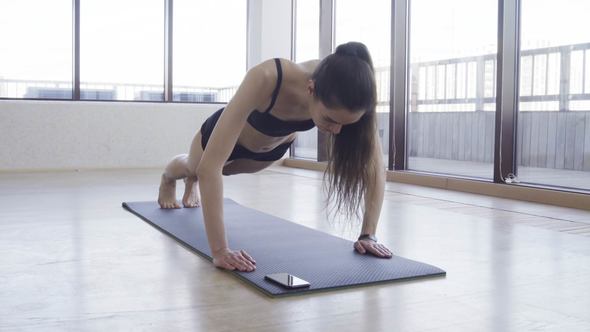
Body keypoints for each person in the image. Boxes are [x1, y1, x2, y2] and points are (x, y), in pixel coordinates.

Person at [158, 41, 393, 272]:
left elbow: (374, 168)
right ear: (310, 89)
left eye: (345, 124)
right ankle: (168, 177)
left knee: (217, 172)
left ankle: (194, 181)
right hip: (224, 139)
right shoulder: (268, 77)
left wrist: (368, 235)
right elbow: (210, 168)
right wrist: (220, 251)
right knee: (195, 166)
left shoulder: (354, 92)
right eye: (330, 120)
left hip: (268, 153)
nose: (337, 130)